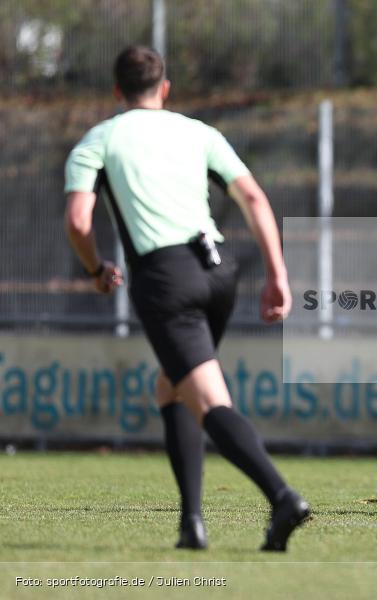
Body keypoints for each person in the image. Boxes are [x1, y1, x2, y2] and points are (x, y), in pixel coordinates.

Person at [63, 45, 309, 551]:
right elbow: (254, 198)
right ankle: (191, 524)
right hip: (218, 271)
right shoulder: (200, 133)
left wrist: (95, 269)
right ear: (165, 88)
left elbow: (78, 221)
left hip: (166, 279)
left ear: (117, 91)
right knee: (172, 388)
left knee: (209, 400)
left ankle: (282, 496)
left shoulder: (100, 139)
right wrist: (277, 274)